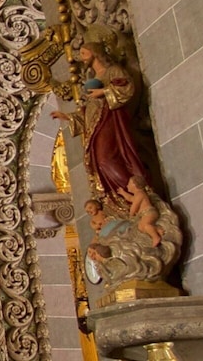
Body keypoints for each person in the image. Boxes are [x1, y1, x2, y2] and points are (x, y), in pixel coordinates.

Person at [51, 42, 161, 247]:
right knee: (98, 165)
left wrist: (103, 92)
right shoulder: (92, 79)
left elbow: (126, 89)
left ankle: (134, 193)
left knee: (106, 160)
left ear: (95, 53)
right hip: (95, 127)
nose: (81, 56)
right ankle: (117, 201)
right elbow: (87, 112)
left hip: (111, 123)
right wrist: (67, 117)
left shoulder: (113, 71)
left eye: (84, 52)